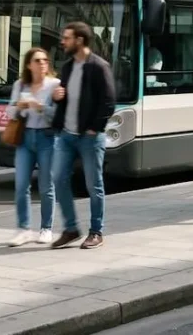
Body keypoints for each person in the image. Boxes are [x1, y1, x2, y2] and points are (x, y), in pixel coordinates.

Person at [50, 22, 117, 250]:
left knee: (93, 185)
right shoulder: (68, 67)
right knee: (58, 178)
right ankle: (71, 229)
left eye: (67, 38)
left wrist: (94, 128)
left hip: (89, 137)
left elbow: (109, 102)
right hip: (67, 135)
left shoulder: (99, 67)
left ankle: (96, 231)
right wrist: (57, 96)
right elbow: (64, 96)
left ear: (79, 40)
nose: (63, 41)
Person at [7, 47, 60, 247]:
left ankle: (46, 228)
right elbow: (10, 113)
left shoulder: (55, 85)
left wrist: (41, 108)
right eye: (38, 60)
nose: (43, 63)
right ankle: (24, 229)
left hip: (47, 138)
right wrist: (19, 107)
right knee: (21, 186)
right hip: (25, 138)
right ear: (29, 65)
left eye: (45, 60)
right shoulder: (20, 85)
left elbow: (58, 116)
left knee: (46, 186)